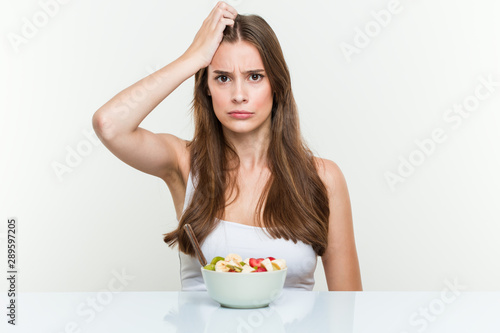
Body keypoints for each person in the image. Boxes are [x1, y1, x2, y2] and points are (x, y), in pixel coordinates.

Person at [92, 1, 362, 291]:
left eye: (254, 77)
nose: (238, 95)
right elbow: (109, 124)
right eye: (223, 78)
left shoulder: (323, 178)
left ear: (277, 84)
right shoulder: (183, 161)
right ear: (206, 87)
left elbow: (348, 308)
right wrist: (193, 57)